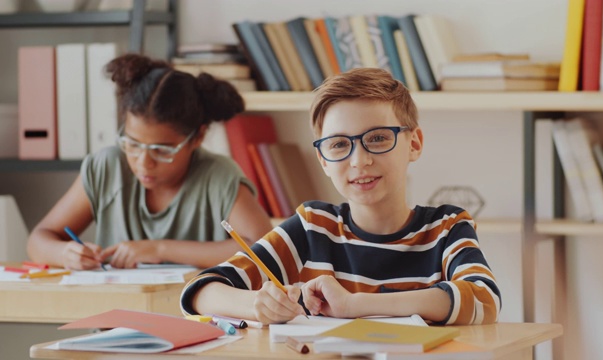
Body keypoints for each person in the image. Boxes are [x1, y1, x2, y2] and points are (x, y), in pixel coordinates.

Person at [180, 68, 501, 325]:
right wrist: (256, 304)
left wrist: (356, 305)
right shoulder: (312, 228)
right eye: (338, 145)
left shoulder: (446, 228)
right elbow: (200, 292)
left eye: (377, 138)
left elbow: (483, 299)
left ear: (414, 144)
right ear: (322, 160)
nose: (359, 160)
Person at [27, 53, 272, 270]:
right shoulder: (106, 168)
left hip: (193, 319)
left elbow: (265, 249)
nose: (143, 162)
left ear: (197, 136)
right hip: (116, 318)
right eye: (132, 144)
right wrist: (65, 253)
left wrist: (160, 249)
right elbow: (38, 240)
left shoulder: (218, 176)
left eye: (162, 150)